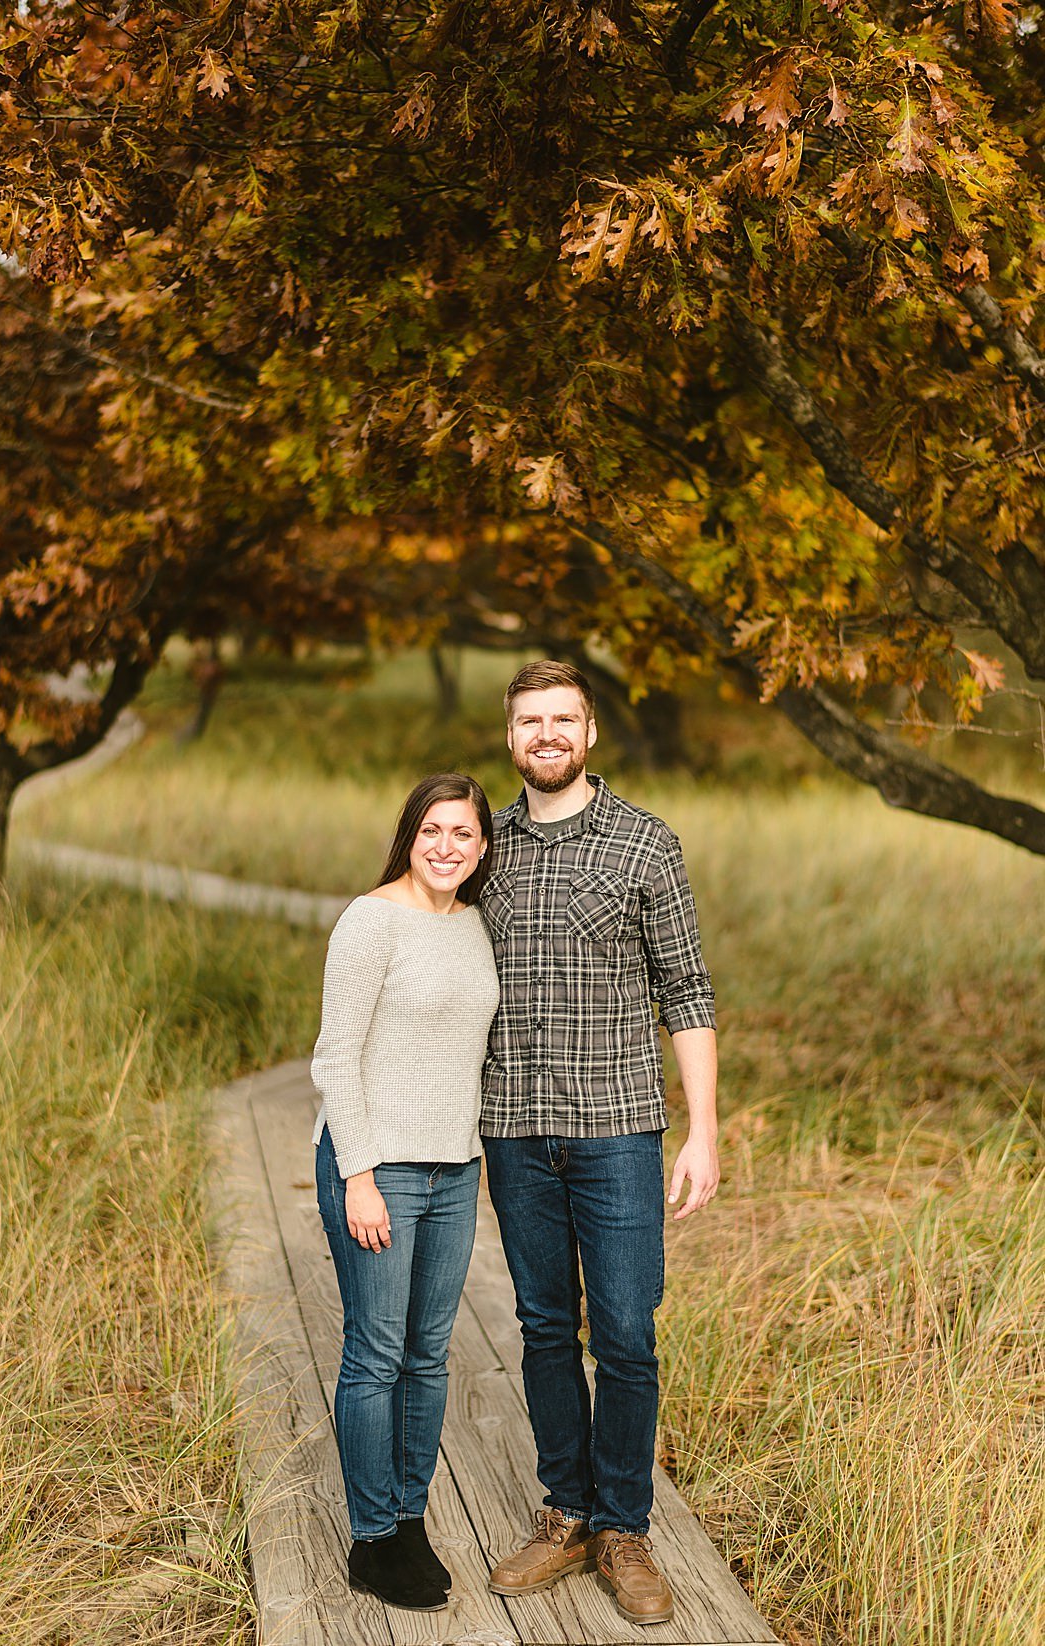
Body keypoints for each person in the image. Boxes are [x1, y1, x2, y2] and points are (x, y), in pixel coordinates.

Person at [477, 659, 720, 1627]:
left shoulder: (645, 844)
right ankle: (565, 1508)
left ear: (588, 733)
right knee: (543, 1326)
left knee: (623, 1331)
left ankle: (622, 1525)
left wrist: (703, 1130)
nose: (545, 733)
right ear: (509, 737)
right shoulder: (479, 844)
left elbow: (688, 991)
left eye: (562, 718)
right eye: (529, 719)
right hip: (513, 1129)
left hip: (618, 1128)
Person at [308, 772, 501, 1612]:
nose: (446, 847)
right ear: (409, 836)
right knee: (375, 1354)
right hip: (376, 1168)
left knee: (427, 1356)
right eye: (432, 831)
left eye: (462, 833)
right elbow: (333, 1057)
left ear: (483, 846)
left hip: (455, 1171)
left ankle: (410, 1516)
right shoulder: (369, 921)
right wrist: (358, 1175)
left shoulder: (474, 927)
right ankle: (372, 1536)